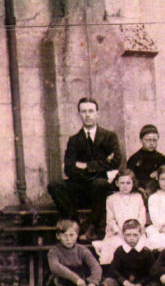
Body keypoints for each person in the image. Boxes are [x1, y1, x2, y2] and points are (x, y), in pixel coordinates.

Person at [47, 97, 121, 241]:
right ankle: (75, 222)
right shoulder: (74, 140)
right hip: (81, 186)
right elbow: (69, 168)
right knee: (54, 186)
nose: (87, 115)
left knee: (99, 184)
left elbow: (116, 162)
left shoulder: (109, 137)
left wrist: (87, 166)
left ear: (97, 113)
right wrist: (100, 164)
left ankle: (92, 225)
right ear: (79, 114)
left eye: (91, 111)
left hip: (100, 186)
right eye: (83, 111)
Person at [92, 168, 147, 265]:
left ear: (133, 183)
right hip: (119, 232)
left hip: (136, 231)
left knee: (141, 245)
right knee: (116, 244)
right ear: (117, 183)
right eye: (122, 183)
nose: (125, 186)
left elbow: (141, 216)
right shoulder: (111, 199)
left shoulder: (138, 197)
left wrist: (137, 230)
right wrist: (119, 231)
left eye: (128, 183)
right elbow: (110, 220)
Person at [46, 219, 105, 286]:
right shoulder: (54, 251)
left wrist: (93, 283)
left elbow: (95, 266)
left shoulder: (82, 250)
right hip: (64, 281)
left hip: (81, 282)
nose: (68, 239)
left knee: (93, 281)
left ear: (77, 235)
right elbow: (55, 267)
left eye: (71, 235)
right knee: (58, 283)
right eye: (64, 235)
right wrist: (76, 279)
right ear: (58, 236)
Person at [102, 219, 158, 286]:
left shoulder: (146, 252)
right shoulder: (120, 251)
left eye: (135, 235)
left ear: (140, 235)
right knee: (108, 282)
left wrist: (140, 284)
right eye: (128, 235)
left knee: (155, 284)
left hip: (141, 283)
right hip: (124, 283)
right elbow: (113, 270)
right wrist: (125, 282)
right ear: (123, 235)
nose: (131, 238)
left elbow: (152, 272)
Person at [126, 124, 165, 194]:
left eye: (154, 140)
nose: (151, 143)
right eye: (148, 140)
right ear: (141, 140)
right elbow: (129, 177)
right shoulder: (134, 158)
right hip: (139, 191)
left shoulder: (161, 158)